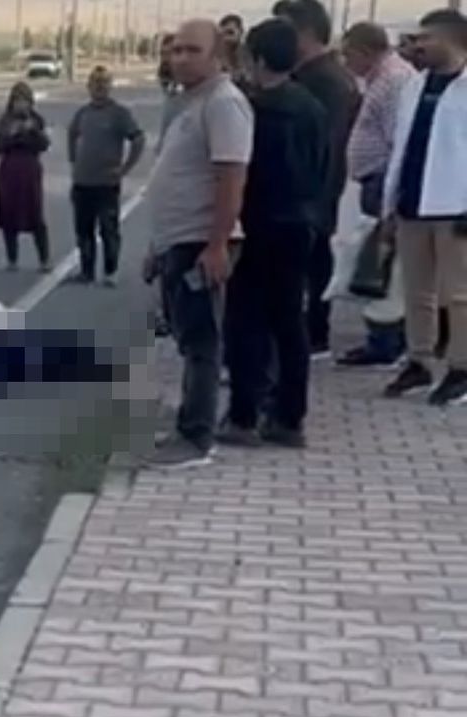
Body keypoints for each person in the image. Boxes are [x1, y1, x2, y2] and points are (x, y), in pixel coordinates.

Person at [143, 19, 254, 468]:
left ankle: (196, 438)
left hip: (200, 241)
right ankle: (187, 424)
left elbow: (231, 177)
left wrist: (217, 244)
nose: (181, 58)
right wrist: (156, 246)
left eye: (192, 50)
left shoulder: (224, 104)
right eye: (176, 50)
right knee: (187, 339)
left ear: (218, 57)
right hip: (177, 241)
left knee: (202, 341)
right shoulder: (190, 102)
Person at [217, 18, 327, 448]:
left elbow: (242, 171)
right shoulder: (312, 107)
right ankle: (289, 417)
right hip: (301, 223)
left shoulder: (254, 109)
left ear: (258, 58)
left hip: (259, 223)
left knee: (245, 320)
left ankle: (243, 414)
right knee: (289, 321)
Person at [382, 8, 467, 406]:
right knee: (417, 290)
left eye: (425, 38)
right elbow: (401, 143)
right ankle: (419, 359)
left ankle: (461, 367)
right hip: (412, 200)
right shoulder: (415, 85)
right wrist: (390, 203)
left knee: (459, 293)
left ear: (450, 39)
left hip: (455, 206)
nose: (417, 45)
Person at [276, 0, 362, 358]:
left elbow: (327, 142)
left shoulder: (325, 80)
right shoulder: (313, 75)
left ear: (305, 32)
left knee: (311, 265)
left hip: (315, 191)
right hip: (310, 192)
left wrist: (314, 193)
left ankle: (314, 333)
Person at [335, 22, 418, 367]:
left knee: (381, 264)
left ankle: (386, 339)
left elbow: (399, 139)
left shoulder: (394, 81)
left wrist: (390, 195)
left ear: (365, 51)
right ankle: (383, 335)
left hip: (384, 179)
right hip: (376, 179)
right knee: (376, 261)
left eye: (348, 54)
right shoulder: (381, 78)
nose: (346, 62)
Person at [68, 66, 146, 285]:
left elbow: (138, 139)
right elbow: (72, 133)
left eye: (103, 83)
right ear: (89, 87)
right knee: (83, 230)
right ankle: (86, 271)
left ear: (110, 87)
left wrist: (125, 168)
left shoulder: (119, 114)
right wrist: (73, 160)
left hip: (107, 183)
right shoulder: (83, 113)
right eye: (95, 83)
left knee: (108, 229)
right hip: (83, 182)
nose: (99, 88)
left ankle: (111, 270)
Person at [0, 82, 52, 272]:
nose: (20, 104)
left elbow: (44, 144)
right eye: (17, 100)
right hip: (9, 170)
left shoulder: (36, 120)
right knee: (8, 214)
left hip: (30, 170)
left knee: (35, 213)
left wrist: (32, 131)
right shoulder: (5, 121)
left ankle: (44, 259)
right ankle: (12, 259)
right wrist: (14, 134)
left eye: (24, 100)